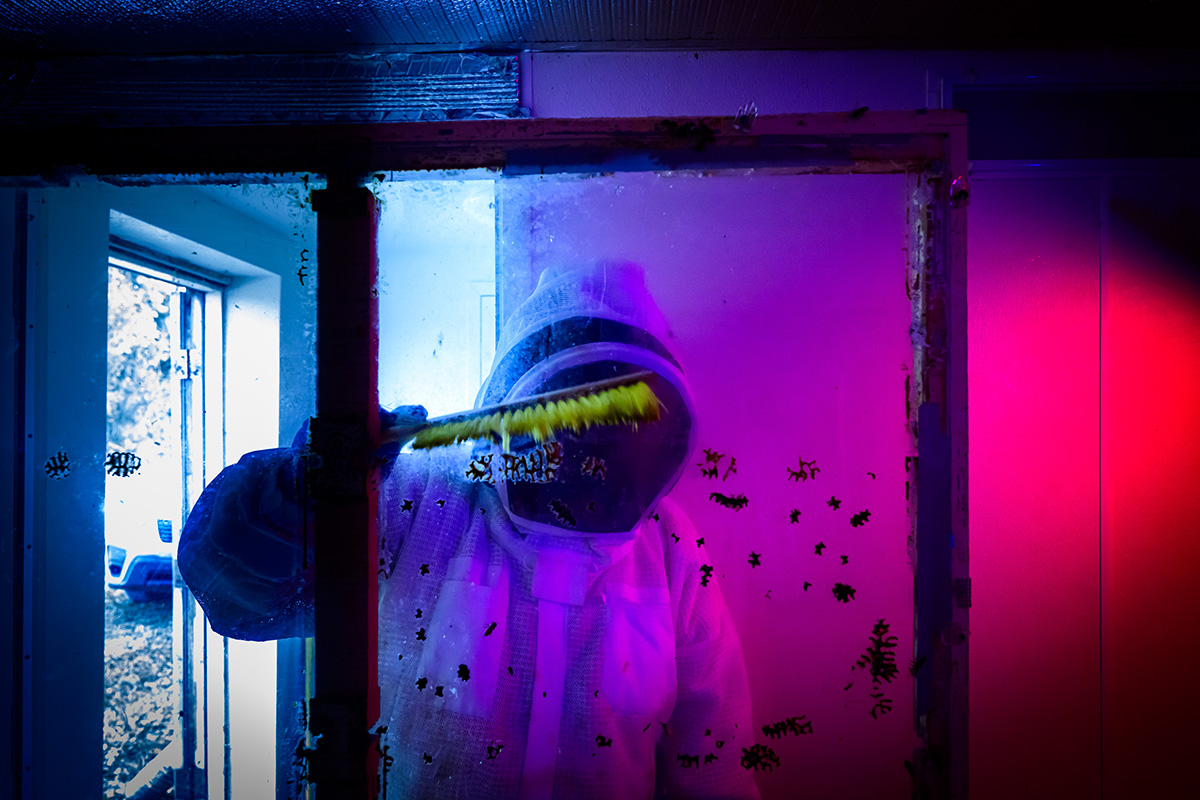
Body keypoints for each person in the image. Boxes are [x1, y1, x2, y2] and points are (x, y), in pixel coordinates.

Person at [178, 261, 761, 799]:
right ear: (516, 402)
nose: (591, 453)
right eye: (574, 420)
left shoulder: (670, 549)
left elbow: (717, 759)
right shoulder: (425, 493)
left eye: (621, 426)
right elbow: (240, 591)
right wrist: (300, 499)